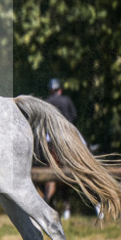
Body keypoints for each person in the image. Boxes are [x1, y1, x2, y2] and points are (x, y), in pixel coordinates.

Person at [43, 78, 77, 219]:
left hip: (51, 135)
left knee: (41, 146)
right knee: (82, 142)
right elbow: (74, 116)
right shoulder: (66, 100)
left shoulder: (46, 101)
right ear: (60, 90)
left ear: (51, 90)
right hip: (66, 133)